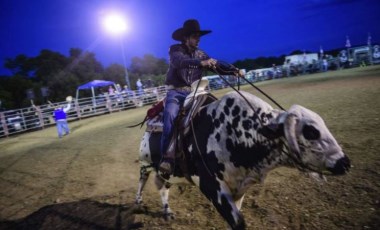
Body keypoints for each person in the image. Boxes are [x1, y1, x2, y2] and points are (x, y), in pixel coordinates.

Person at [159, 19, 242, 175]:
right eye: (195, 36)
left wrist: (233, 70)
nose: (198, 39)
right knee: (170, 115)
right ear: (186, 38)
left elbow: (216, 66)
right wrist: (201, 63)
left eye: (199, 36)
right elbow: (179, 62)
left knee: (216, 108)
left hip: (195, 91)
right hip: (176, 92)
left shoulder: (201, 53)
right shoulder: (175, 49)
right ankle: (167, 158)